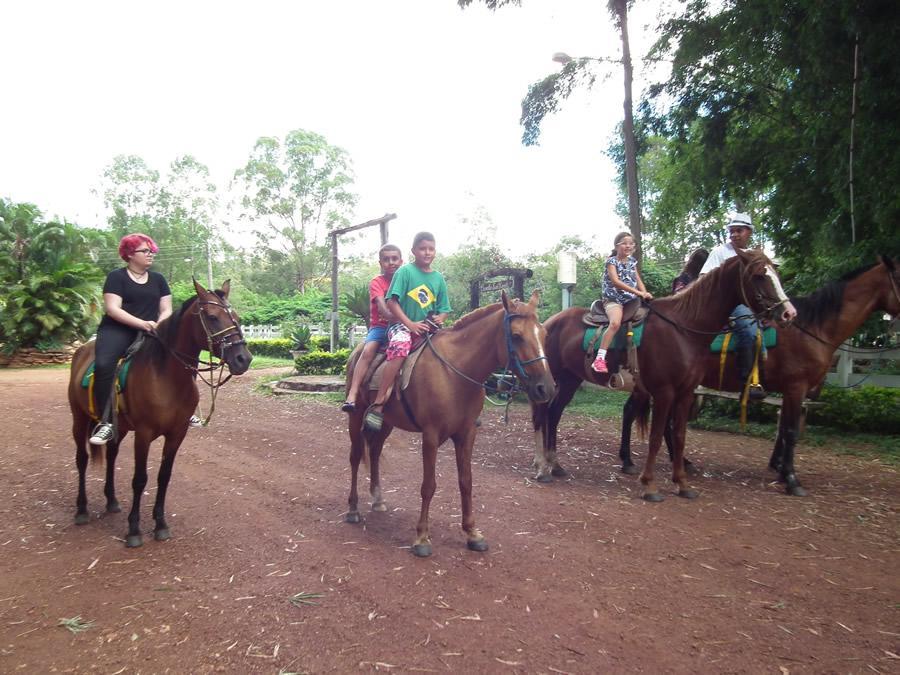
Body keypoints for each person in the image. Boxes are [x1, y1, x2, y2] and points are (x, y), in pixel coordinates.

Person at [88, 234, 173, 445]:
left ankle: (184, 408)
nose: (150, 254)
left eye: (151, 250)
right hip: (117, 330)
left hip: (152, 330)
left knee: (178, 356)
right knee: (104, 364)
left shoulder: (159, 279)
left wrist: (159, 324)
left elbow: (166, 309)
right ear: (129, 254)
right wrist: (142, 323)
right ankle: (105, 422)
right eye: (145, 251)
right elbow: (113, 309)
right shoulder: (116, 277)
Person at [363, 231, 451, 431]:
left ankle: (458, 407)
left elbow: (445, 308)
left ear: (435, 251)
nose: (427, 252)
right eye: (422, 248)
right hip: (402, 325)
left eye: (430, 249)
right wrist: (410, 324)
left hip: (428, 326)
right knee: (400, 347)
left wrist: (441, 318)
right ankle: (379, 401)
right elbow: (391, 302)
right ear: (414, 251)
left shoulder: (438, 278)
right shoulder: (405, 272)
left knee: (453, 348)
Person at [698, 212, 766, 398]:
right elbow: (703, 278)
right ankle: (748, 382)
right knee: (749, 331)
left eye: (739, 230)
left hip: (753, 302)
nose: (735, 234)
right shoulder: (720, 252)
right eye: (732, 231)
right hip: (729, 304)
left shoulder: (753, 255)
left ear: (749, 232)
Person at [341, 243, 403, 412]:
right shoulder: (377, 282)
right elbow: (383, 308)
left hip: (404, 327)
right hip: (381, 327)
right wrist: (398, 318)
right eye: (386, 259)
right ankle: (352, 394)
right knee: (368, 351)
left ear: (401, 261)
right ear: (380, 263)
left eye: (395, 258)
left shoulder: (406, 280)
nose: (391, 262)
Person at [591, 232, 652, 374]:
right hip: (614, 299)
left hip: (631, 300)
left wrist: (645, 293)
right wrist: (639, 293)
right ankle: (599, 358)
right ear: (617, 245)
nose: (628, 246)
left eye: (631, 243)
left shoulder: (632, 262)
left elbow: (638, 280)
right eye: (625, 243)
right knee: (615, 323)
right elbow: (616, 282)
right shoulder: (611, 261)